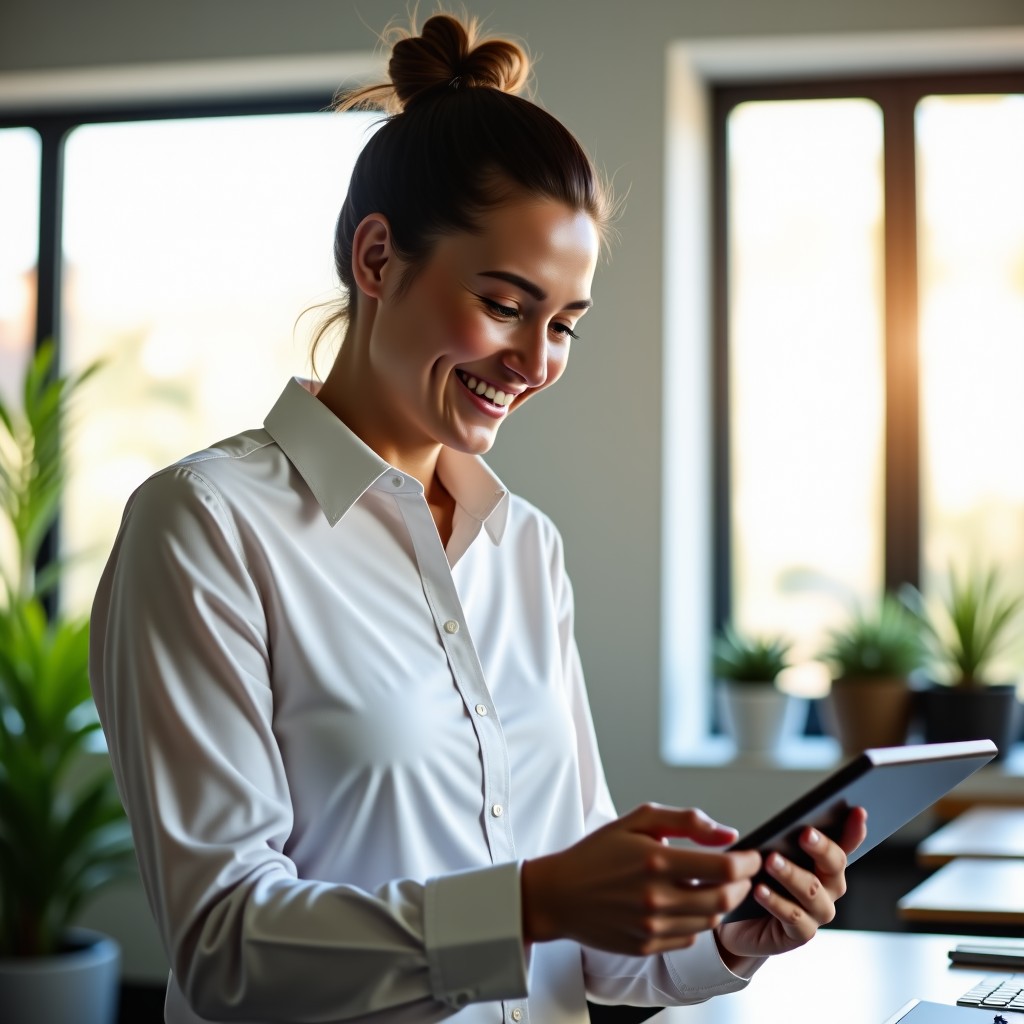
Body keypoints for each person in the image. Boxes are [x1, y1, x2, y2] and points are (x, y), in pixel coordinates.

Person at [89, 12, 868, 1024]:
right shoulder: (204, 529)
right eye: (505, 304)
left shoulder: (524, 548)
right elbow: (227, 945)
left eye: (564, 325)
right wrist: (531, 898)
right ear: (376, 261)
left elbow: (576, 946)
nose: (538, 361)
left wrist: (724, 937)